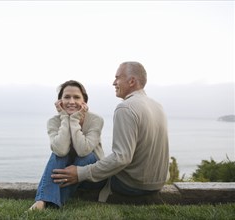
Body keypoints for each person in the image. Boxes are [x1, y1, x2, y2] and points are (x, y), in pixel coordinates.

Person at [51, 61, 169, 202]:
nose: (114, 83)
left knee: (80, 161)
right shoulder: (157, 106)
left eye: (118, 77)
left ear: (131, 81)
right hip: (157, 183)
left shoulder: (125, 108)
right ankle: (48, 199)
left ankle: (51, 200)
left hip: (132, 185)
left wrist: (80, 173)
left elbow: (121, 158)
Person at [29, 80, 105, 210]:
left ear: (84, 102)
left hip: (90, 176)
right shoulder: (53, 122)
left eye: (76, 97)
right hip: (66, 175)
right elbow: (61, 150)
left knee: (86, 157)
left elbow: (83, 151)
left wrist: (74, 119)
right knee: (58, 154)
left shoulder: (95, 120)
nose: (71, 101)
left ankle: (47, 201)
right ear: (60, 102)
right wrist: (65, 118)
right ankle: (43, 202)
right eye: (67, 97)